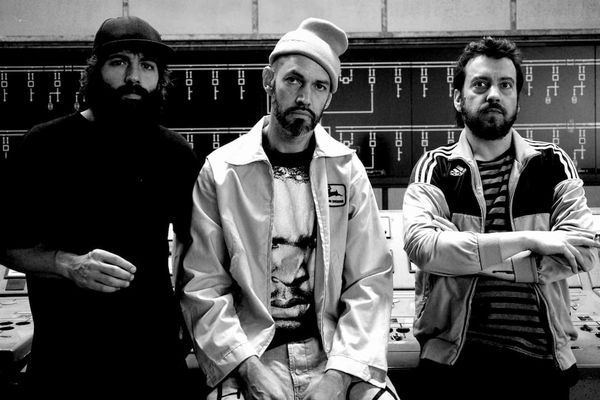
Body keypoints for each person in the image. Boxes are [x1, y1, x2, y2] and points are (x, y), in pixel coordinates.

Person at [178, 17, 398, 400]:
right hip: (253, 352)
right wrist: (248, 369)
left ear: (329, 97)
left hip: (335, 351)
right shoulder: (223, 171)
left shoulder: (346, 170)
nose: (305, 97)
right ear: (269, 80)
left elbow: (370, 281)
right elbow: (203, 285)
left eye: (319, 86)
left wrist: (339, 376)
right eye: (294, 80)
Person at [2, 16, 199, 396]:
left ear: (159, 78)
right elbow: (7, 245)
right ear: (95, 70)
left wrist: (189, 317)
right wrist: (67, 264)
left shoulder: (175, 154)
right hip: (66, 362)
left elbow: (196, 249)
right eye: (119, 62)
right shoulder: (45, 145)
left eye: (147, 66)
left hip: (154, 363)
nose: (134, 78)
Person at [402, 36, 600, 400]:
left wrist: (465, 257)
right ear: (458, 98)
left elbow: (584, 250)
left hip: (542, 362)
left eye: (505, 85)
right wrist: (530, 241)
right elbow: (424, 248)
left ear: (517, 99)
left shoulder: (553, 163)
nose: (494, 94)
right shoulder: (436, 167)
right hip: (454, 363)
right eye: (480, 84)